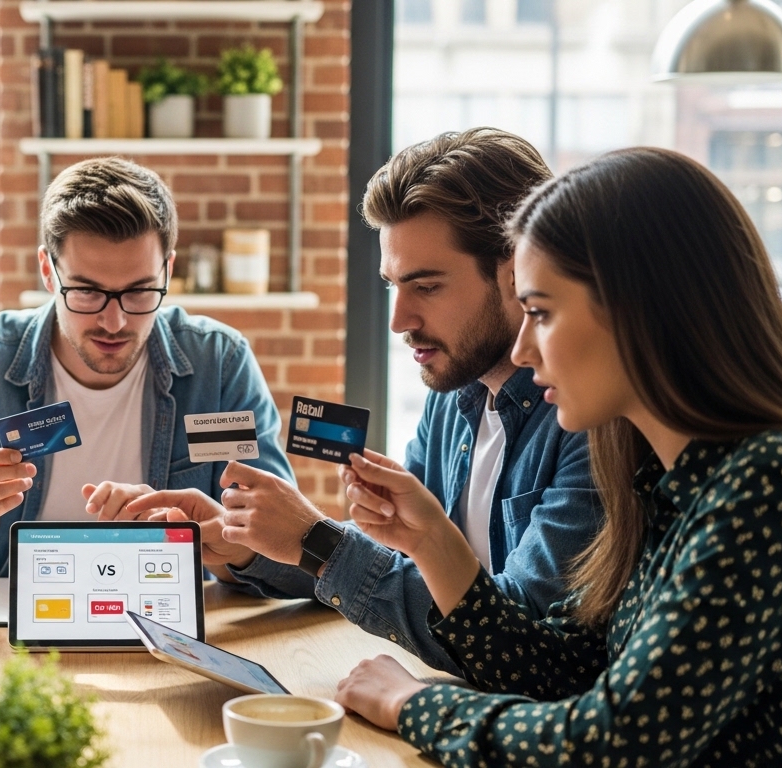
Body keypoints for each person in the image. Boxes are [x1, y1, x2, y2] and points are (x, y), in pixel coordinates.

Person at [335, 147, 782, 765]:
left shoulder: (770, 481)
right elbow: (570, 669)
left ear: (638, 309)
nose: (525, 351)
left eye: (540, 312)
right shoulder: (668, 481)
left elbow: (613, 741)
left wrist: (412, 704)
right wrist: (431, 540)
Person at [123, 129, 602, 674]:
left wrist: (315, 539)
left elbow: (515, 640)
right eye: (392, 286)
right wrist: (254, 546)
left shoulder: (588, 419)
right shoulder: (454, 395)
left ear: (515, 268)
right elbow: (397, 565)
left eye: (427, 287)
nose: (399, 321)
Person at [0, 156, 293, 580]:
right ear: (48, 272)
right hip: (8, 638)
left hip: (169, 626)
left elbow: (292, 555)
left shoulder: (218, 365)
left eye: (141, 291)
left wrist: (224, 544)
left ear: (169, 269)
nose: (115, 322)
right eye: (87, 292)